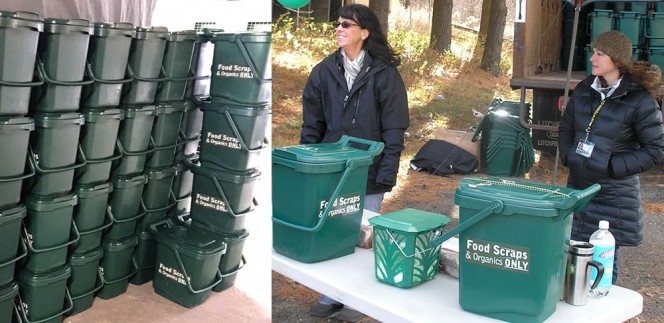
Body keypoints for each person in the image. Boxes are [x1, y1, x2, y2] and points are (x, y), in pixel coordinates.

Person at [299, 3, 409, 321]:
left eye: (348, 24)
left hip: (369, 170)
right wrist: (309, 166)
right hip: (331, 170)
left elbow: (394, 127)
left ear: (365, 32)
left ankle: (355, 300)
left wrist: (387, 170)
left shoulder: (384, 75)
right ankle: (330, 294)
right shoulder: (323, 71)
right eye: (338, 23)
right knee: (331, 231)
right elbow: (312, 127)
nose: (340, 28)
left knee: (362, 236)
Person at [558, 30, 664, 284]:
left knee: (602, 270)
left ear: (616, 60)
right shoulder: (585, 89)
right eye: (593, 52)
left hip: (613, 196)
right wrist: (569, 157)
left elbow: (656, 149)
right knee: (573, 263)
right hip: (579, 191)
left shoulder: (639, 100)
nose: (592, 58)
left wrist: (611, 166)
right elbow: (566, 128)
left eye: (599, 54)